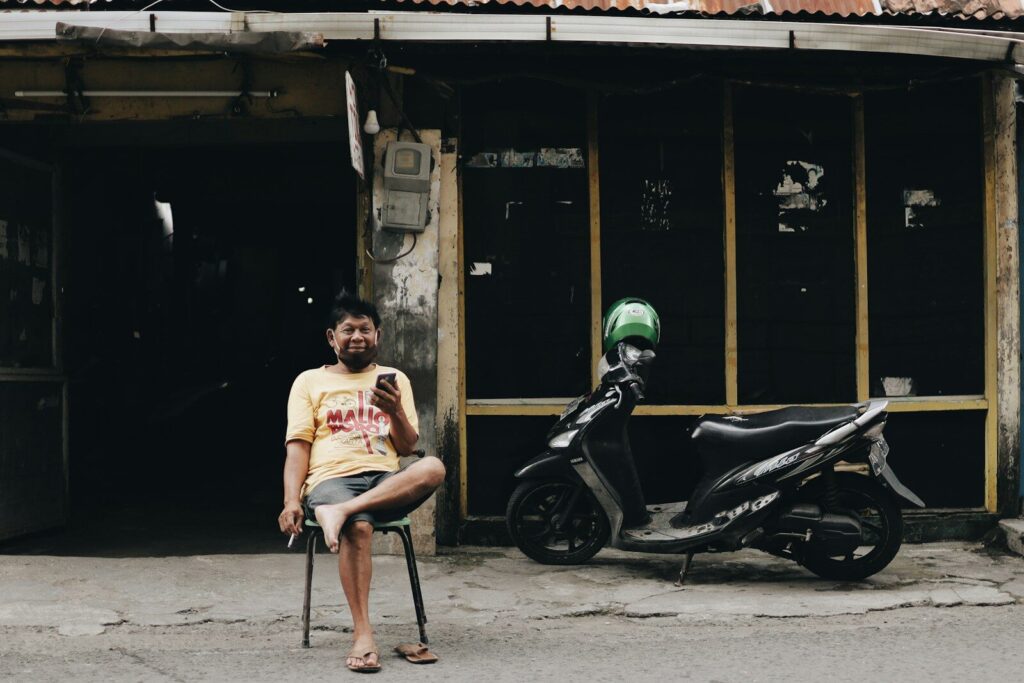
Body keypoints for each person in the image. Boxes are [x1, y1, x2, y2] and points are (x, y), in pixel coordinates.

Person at [277, 291, 445, 673]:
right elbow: (298, 449)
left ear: (378, 336)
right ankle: (363, 634)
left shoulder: (395, 379)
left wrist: (395, 411)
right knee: (361, 527)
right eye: (348, 330)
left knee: (433, 466)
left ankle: (343, 511)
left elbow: (407, 447)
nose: (357, 337)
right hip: (330, 479)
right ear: (331, 338)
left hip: (385, 481)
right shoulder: (309, 382)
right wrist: (291, 500)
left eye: (365, 330)